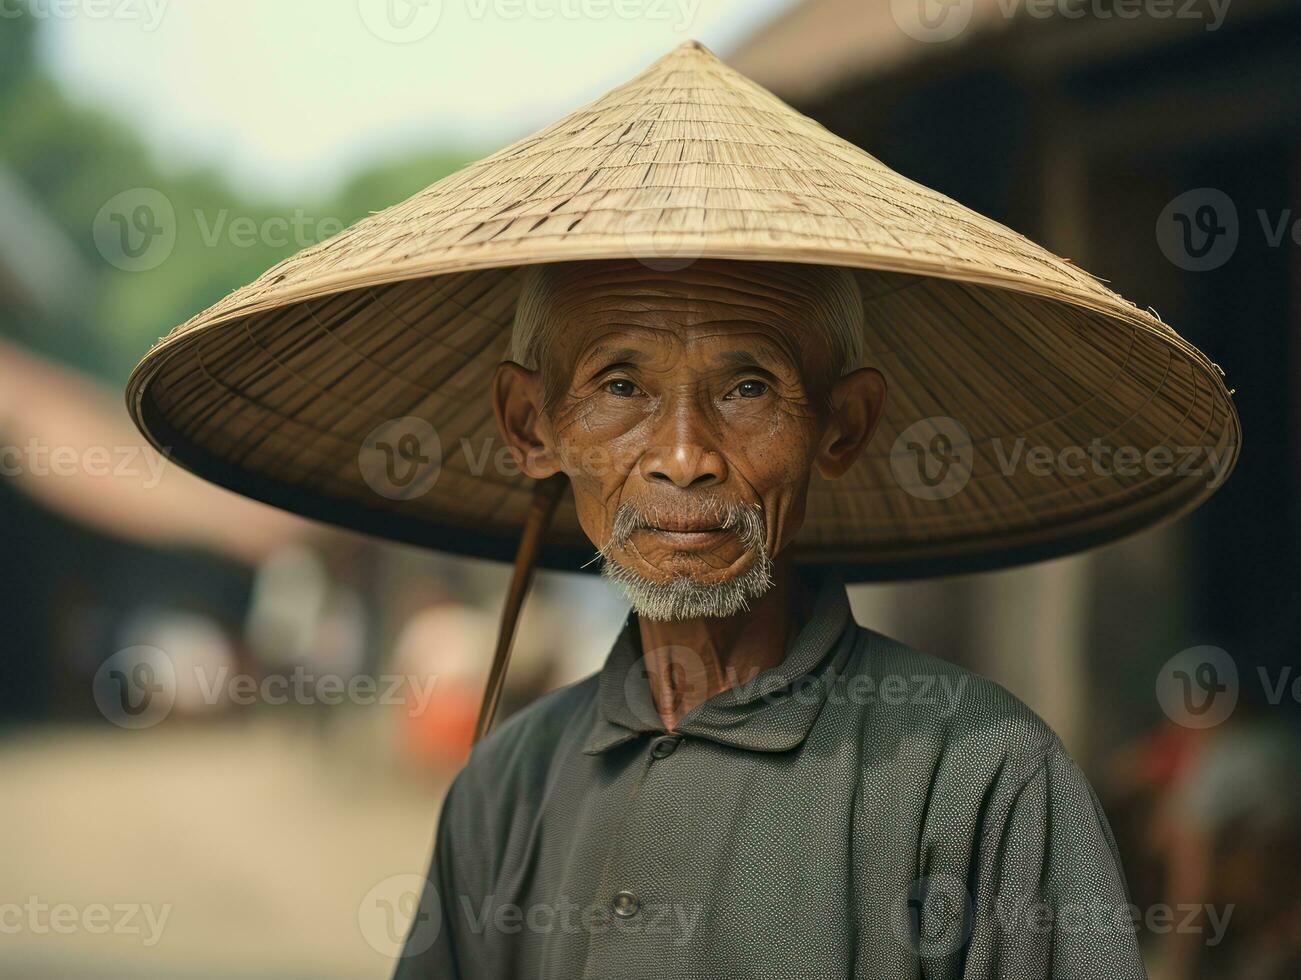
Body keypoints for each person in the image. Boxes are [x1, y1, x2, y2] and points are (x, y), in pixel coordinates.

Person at [125, 41, 1240, 980]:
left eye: (747, 386)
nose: (682, 454)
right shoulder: (506, 786)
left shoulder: (982, 776)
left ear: (839, 425)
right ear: (530, 426)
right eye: (619, 385)